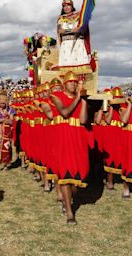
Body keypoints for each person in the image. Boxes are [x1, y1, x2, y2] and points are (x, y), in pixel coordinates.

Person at [50, 71, 89, 225]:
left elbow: (84, 119)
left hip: (78, 140)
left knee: (76, 180)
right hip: (63, 140)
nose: (73, 84)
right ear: (65, 83)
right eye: (70, 82)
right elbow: (65, 113)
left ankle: (67, 199)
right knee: (66, 176)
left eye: (75, 82)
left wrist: (84, 100)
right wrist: (78, 98)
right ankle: (69, 212)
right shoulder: (57, 97)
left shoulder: (80, 99)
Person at [56, 0, 90, 70]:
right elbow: (60, 31)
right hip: (66, 45)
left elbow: (83, 29)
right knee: (66, 69)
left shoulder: (79, 16)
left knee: (80, 69)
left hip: (78, 43)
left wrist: (80, 28)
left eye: (68, 5)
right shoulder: (61, 18)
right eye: (64, 6)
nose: (66, 7)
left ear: (72, 6)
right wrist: (73, 30)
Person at [0, 91, 15, 172]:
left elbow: (11, 121)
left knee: (7, 148)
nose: (2, 105)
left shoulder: (11, 110)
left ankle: (5, 165)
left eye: (4, 103)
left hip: (7, 133)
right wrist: (3, 119)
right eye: (1, 103)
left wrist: (3, 120)